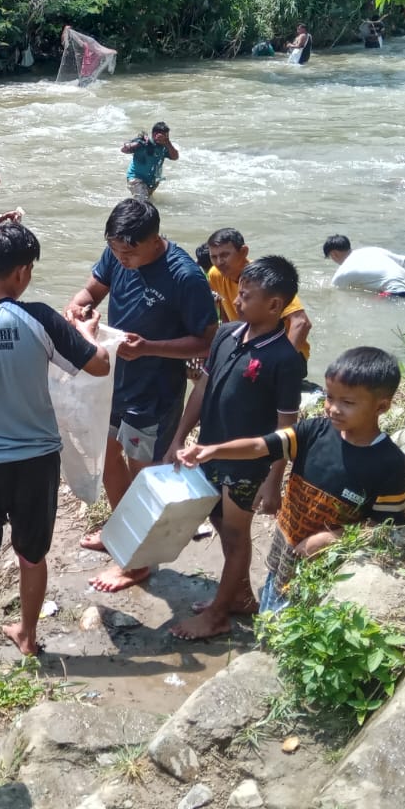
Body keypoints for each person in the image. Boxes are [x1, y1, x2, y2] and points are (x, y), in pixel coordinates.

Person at [0, 223, 110, 661]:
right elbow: (99, 365)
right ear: (22, 272)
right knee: (32, 555)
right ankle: (28, 638)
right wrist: (87, 334)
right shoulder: (40, 318)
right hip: (36, 460)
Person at [178, 347, 405, 614]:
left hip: (327, 569)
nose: (333, 409)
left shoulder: (389, 464)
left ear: (381, 407)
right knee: (272, 600)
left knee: (299, 617)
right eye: (329, 397)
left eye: (347, 402)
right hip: (287, 547)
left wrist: (332, 538)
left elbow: (385, 527)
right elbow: (259, 446)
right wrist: (213, 450)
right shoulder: (314, 431)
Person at [65, 200, 218, 591]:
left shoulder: (185, 276)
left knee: (143, 474)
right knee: (108, 457)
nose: (122, 259)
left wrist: (150, 348)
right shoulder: (117, 253)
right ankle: (120, 531)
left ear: (154, 240)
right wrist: (79, 305)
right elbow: (92, 290)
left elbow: (208, 342)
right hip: (114, 381)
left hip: (153, 392)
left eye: (129, 252)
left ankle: (139, 563)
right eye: (115, 250)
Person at [165, 258, 305, 640]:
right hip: (211, 450)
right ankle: (239, 596)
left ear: (274, 305)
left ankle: (218, 615)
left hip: (249, 463)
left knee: (235, 535)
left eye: (246, 296)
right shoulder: (227, 333)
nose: (237, 301)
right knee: (219, 522)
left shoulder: (285, 359)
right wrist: (179, 436)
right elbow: (203, 387)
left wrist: (273, 482)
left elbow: (286, 428)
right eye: (239, 293)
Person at [204, 229, 313, 365]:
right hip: (250, 347)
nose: (219, 262)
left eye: (225, 255)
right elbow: (225, 313)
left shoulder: (264, 279)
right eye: (214, 257)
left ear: (243, 252)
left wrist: (280, 363)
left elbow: (301, 322)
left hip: (287, 352)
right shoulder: (215, 275)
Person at [323, 235, 405, 296]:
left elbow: (333, 290)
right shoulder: (372, 250)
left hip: (395, 293)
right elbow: (404, 260)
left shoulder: (343, 271)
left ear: (334, 254)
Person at [121, 123, 178, 202]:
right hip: (135, 178)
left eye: (166, 136)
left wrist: (168, 142)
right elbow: (124, 150)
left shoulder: (165, 147)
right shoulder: (144, 143)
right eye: (163, 135)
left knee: (148, 202)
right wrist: (133, 143)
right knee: (143, 201)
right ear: (154, 134)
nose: (165, 138)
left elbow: (175, 157)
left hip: (152, 181)